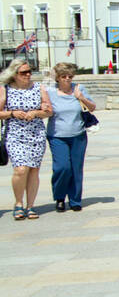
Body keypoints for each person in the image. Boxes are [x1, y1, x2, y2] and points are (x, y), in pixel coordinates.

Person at [1, 58, 54, 219]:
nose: (28, 75)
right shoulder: (5, 89)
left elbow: (49, 111)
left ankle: (30, 206)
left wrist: (37, 112)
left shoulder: (39, 88)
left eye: (30, 71)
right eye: (24, 72)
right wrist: (12, 113)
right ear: (15, 74)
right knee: (20, 169)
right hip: (14, 134)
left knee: (33, 170)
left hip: (36, 133)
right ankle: (18, 203)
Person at [46, 62, 95, 212]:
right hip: (57, 135)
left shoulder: (79, 89)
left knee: (76, 168)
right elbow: (45, 109)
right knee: (62, 167)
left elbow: (92, 107)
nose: (67, 79)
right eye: (63, 76)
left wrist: (81, 97)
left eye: (70, 76)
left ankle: (75, 200)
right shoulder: (50, 92)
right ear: (58, 78)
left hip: (78, 135)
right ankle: (60, 197)